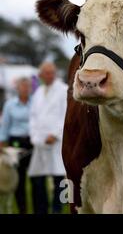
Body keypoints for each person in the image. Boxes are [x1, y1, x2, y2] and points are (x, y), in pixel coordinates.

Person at [28, 62, 67, 214]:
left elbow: (66, 116)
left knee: (59, 178)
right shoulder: (38, 92)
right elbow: (32, 116)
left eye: (51, 72)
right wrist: (34, 135)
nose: (49, 75)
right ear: (41, 75)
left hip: (56, 142)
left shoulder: (63, 90)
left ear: (55, 73)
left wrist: (55, 135)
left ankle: (57, 209)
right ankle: (41, 209)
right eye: (46, 73)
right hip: (39, 142)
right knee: (37, 178)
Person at [0, 77, 33, 214]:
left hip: (32, 143)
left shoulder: (35, 103)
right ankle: (22, 209)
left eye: (27, 87)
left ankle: (39, 208)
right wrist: (2, 142)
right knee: (19, 180)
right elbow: (5, 125)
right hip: (15, 144)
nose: (25, 89)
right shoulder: (10, 105)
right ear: (17, 88)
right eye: (22, 86)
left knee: (36, 178)